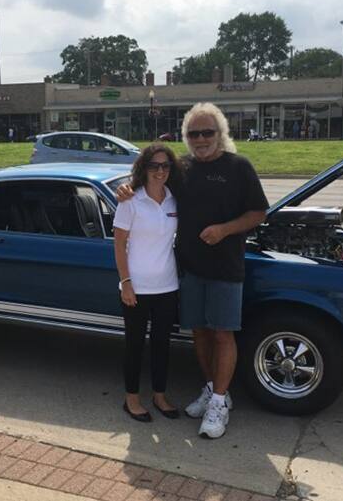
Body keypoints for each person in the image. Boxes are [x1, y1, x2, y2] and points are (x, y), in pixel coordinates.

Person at [118, 102, 268, 438]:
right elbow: (151, 184)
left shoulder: (239, 167)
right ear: (186, 137)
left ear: (221, 133)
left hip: (226, 268)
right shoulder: (181, 169)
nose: (201, 139)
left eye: (207, 132)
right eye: (193, 133)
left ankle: (217, 403)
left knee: (223, 333)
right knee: (199, 332)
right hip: (187, 271)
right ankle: (214, 389)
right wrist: (126, 189)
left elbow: (258, 212)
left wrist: (225, 230)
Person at [113, 144, 182, 423]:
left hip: (167, 285)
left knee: (162, 344)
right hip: (137, 286)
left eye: (165, 166)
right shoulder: (130, 200)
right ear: (144, 168)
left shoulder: (174, 199)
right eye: (154, 166)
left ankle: (159, 395)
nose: (160, 171)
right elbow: (119, 245)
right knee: (134, 344)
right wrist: (126, 282)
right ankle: (131, 399)